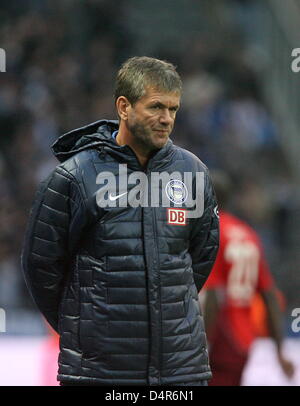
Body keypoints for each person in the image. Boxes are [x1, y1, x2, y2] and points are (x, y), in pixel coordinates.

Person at [21, 56, 219, 386]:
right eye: (156, 107)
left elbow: (200, 257)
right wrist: (86, 328)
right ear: (124, 107)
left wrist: (167, 310)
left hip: (181, 370)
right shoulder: (74, 177)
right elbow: (41, 267)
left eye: (173, 109)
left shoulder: (193, 173)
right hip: (99, 373)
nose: (166, 119)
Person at [201, 170, 294, 386]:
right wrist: (279, 351)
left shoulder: (212, 232)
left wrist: (203, 345)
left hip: (220, 336)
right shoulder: (247, 233)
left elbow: (214, 294)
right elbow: (269, 294)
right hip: (243, 339)